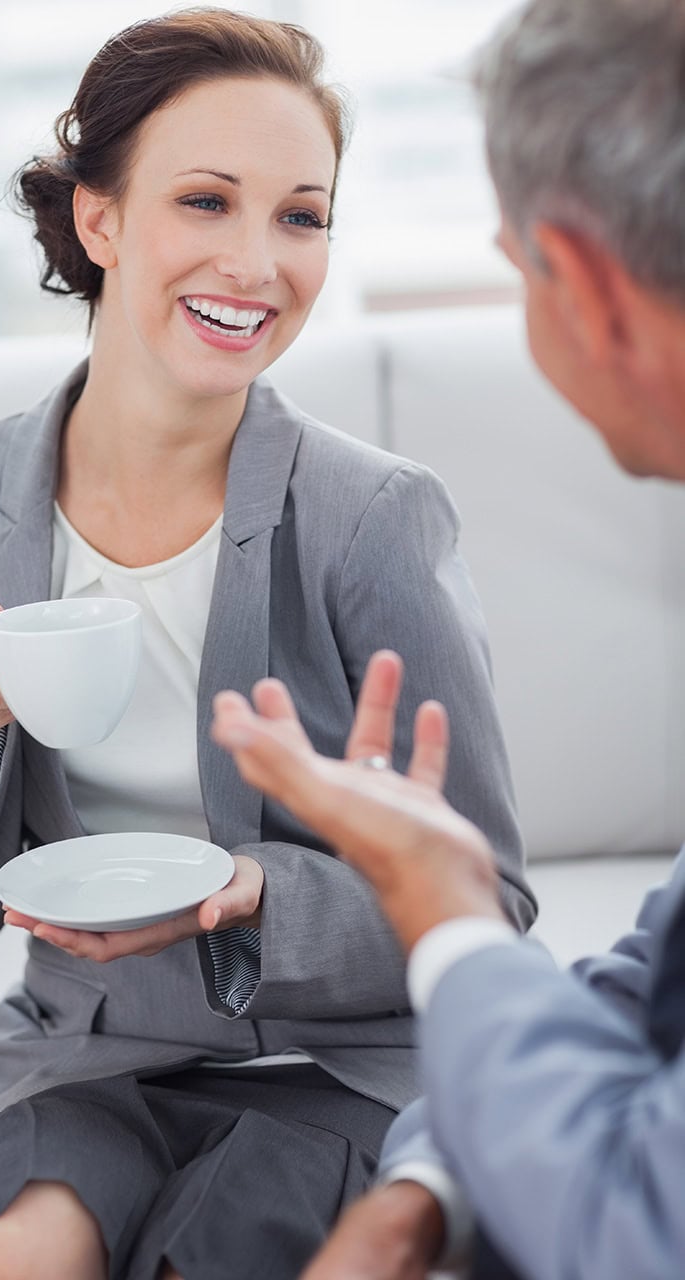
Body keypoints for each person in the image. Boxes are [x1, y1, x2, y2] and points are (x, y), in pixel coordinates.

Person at [0, 10, 533, 1280]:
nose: (256, 263)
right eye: (205, 201)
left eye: (300, 215)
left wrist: (256, 893)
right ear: (100, 221)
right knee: (23, 1254)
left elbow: (488, 907)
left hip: (344, 1059)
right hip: (89, 1051)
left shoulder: (370, 517)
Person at [211, 1, 685, 1277]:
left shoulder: (372, 506)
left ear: (581, 284)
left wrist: (441, 904)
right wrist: (425, 1180)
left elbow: (643, 1217)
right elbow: (661, 980)